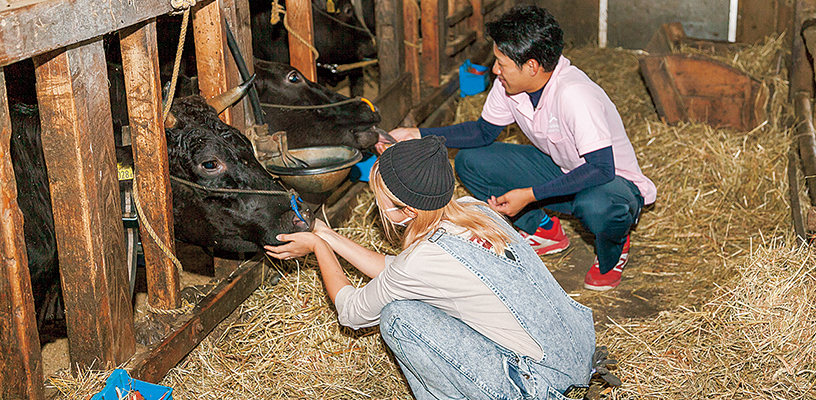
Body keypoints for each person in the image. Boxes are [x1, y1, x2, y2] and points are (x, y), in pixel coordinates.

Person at [265, 136, 598, 399]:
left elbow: (351, 311)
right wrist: (326, 233)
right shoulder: (475, 210)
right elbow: (396, 270)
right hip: (574, 355)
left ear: (407, 211)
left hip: (542, 387)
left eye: (379, 197)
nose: (375, 203)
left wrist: (319, 249)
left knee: (399, 317)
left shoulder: (422, 259)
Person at [379, 5, 656, 291]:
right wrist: (418, 133)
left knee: (598, 206)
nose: (495, 69)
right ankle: (545, 230)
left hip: (610, 183)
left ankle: (614, 248)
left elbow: (601, 168)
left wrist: (530, 194)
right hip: (561, 170)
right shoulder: (509, 84)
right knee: (470, 161)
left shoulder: (574, 95)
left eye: (502, 62)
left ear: (532, 66)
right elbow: (482, 132)